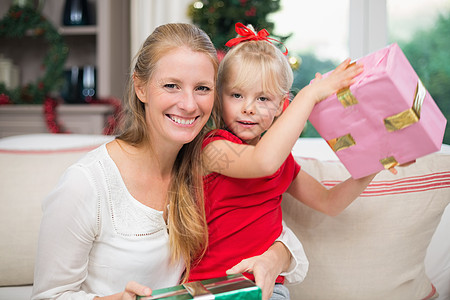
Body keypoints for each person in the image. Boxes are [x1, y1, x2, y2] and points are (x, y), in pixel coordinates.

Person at [31, 23, 305, 300]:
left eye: (202, 88)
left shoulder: (207, 162)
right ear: (140, 87)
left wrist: (275, 258)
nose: (188, 104)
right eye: (171, 86)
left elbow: (266, 229)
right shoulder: (86, 183)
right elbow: (49, 296)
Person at [188, 23, 376, 299]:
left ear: (281, 106)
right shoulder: (212, 148)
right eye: (237, 95)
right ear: (219, 99)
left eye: (263, 98)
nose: (248, 107)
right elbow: (262, 162)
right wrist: (311, 95)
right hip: (210, 288)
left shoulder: (282, 162)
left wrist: (376, 162)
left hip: (269, 287)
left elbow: (330, 202)